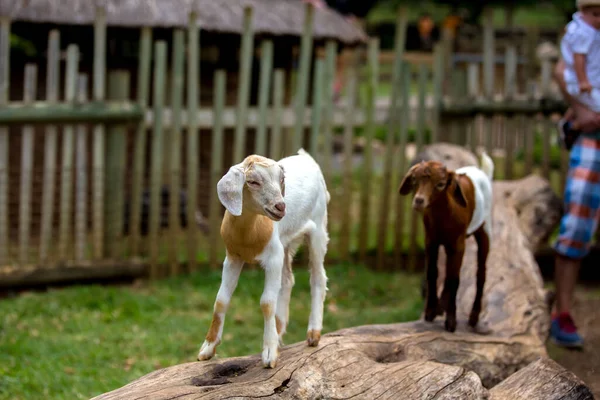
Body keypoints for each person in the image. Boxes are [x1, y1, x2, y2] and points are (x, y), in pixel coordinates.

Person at [551, 51, 600, 348]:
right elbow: (561, 71)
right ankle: (562, 315)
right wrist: (580, 111)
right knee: (576, 227)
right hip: (593, 139)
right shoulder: (587, 32)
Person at [557, 0, 600, 150]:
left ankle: (571, 123)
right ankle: (571, 127)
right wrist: (583, 81)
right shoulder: (584, 32)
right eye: (595, 14)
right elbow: (566, 66)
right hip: (584, 85)